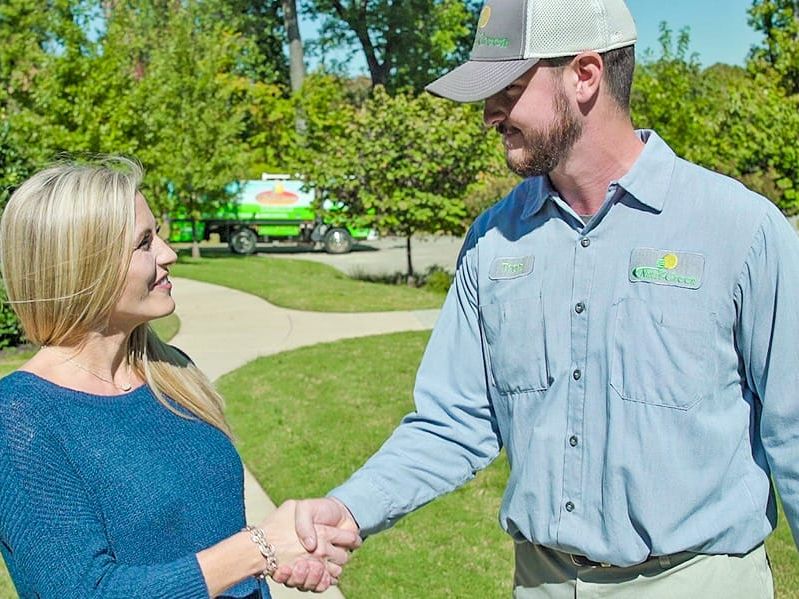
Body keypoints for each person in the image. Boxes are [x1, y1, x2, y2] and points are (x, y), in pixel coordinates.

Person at [277, 0, 799, 596]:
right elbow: (454, 421)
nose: (489, 114)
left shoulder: (741, 230)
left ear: (585, 74)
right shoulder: (492, 242)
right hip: (542, 581)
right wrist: (349, 510)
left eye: (508, 87)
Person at [0, 158, 360, 598]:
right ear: (83, 266)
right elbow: (83, 591)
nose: (168, 253)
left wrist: (287, 552)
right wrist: (257, 549)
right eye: (145, 242)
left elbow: (202, 532)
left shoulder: (170, 372)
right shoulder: (19, 418)